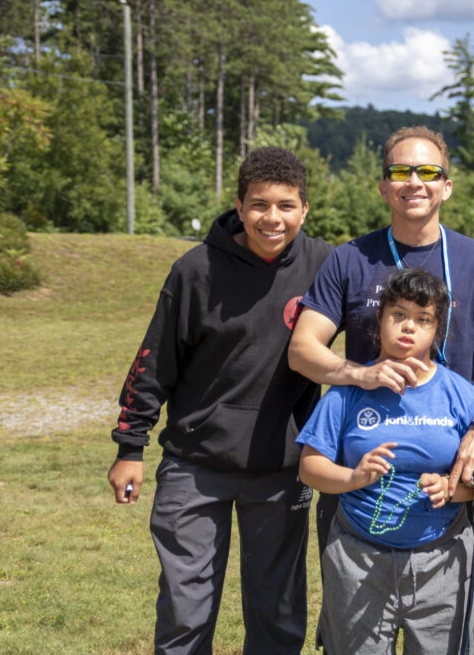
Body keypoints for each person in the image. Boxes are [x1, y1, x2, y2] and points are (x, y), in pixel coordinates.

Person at [107, 147, 333, 654]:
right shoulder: (195, 270)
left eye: (285, 205)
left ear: (304, 209)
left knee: (277, 614)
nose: (272, 219)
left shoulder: (324, 264)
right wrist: (129, 447)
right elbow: (153, 362)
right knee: (186, 615)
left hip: (282, 468)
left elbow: (396, 282)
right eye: (258, 205)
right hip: (195, 465)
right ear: (238, 204)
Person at [296, 268, 474, 654]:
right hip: (358, 558)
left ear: (437, 330)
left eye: (423, 320)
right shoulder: (347, 392)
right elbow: (309, 468)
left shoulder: (460, 393)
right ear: (380, 319)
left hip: (443, 557)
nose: (409, 328)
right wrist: (354, 477)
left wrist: (453, 490)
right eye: (398, 315)